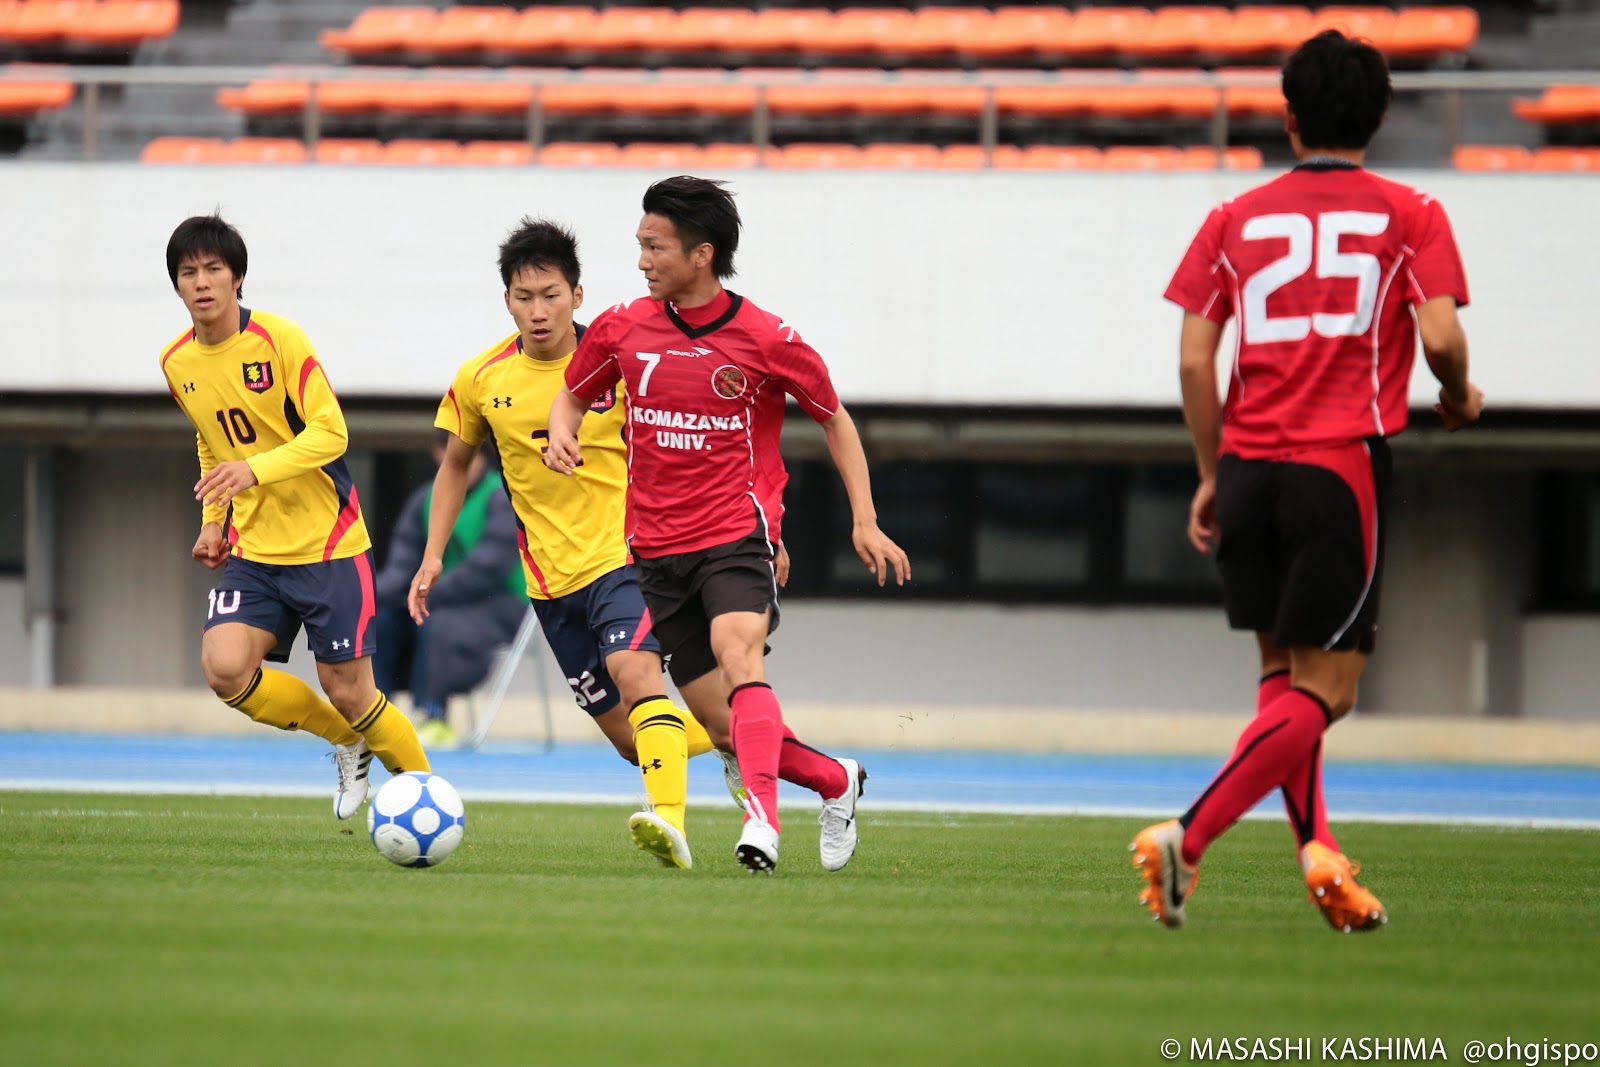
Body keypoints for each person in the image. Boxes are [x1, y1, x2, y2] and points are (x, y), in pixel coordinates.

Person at [1131, 31, 1483, 931]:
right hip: (1338, 465)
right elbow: (1441, 337)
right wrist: (1457, 392)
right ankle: (1188, 835)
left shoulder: (1233, 217)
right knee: (1330, 691)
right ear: (1380, 116)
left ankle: (1320, 854)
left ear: (1288, 118)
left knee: (1283, 676)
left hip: (1248, 467)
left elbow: (1193, 360)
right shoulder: (1412, 212)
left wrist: (1211, 471)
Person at [414, 216, 864, 872]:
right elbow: (455, 465)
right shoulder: (481, 377)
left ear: (577, 294)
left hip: (632, 555)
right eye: (524, 297)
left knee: (636, 673)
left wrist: (762, 530)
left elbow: (703, 445)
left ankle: (669, 824)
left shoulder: (626, 360)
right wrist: (432, 554)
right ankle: (828, 775)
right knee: (643, 738)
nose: (538, 311)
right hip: (550, 582)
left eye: (551, 295)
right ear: (506, 299)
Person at [545, 177, 911, 875]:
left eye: (655, 247)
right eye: (640, 246)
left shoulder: (766, 337)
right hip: (654, 548)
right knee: (721, 725)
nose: (643, 261)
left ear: (702, 254)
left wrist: (864, 520)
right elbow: (572, 395)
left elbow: (834, 419)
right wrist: (564, 430)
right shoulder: (622, 327)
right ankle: (836, 780)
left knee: (740, 656)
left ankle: (762, 821)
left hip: (737, 534)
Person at [159, 213, 431, 821]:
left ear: (237, 278)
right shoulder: (176, 362)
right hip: (254, 550)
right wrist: (213, 519)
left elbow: (332, 433)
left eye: (213, 269)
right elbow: (211, 441)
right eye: (188, 272)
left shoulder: (279, 339)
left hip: (327, 544)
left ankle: (431, 797)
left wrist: (253, 471)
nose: (201, 282)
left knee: (350, 690)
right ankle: (345, 741)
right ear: (176, 285)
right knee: (225, 669)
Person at [374, 429, 525, 748]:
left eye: (473, 454)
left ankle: (432, 714)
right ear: (437, 454)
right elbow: (402, 565)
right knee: (382, 619)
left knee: (435, 619)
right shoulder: (424, 500)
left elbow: (490, 567)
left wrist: (425, 593)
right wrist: (369, 598)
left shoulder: (501, 496)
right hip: (438, 598)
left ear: (483, 457)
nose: (463, 460)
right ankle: (376, 714)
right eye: (451, 452)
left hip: (500, 603)